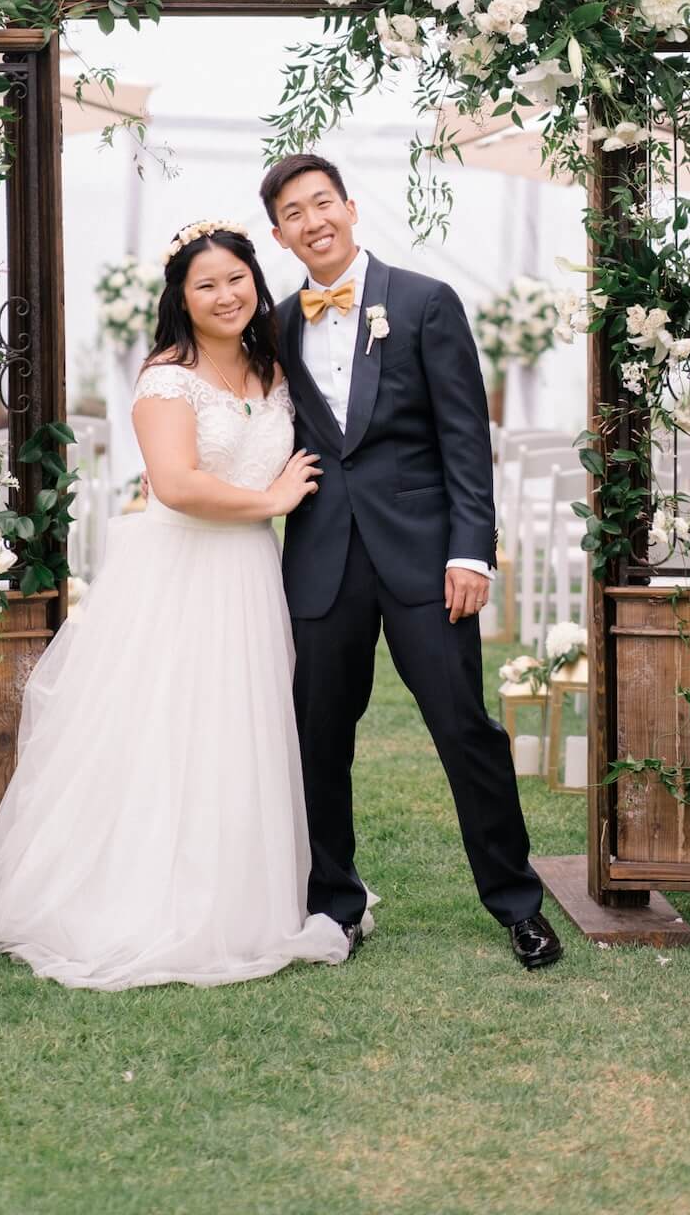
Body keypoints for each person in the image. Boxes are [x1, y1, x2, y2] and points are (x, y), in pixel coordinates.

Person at [0, 220, 353, 989]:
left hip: (250, 572)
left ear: (256, 283)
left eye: (236, 279)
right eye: (206, 285)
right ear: (181, 298)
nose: (225, 295)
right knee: (170, 726)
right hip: (180, 569)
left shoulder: (275, 366)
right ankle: (152, 898)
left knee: (242, 728)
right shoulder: (166, 379)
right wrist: (273, 498)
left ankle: (250, 895)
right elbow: (176, 484)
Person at [261, 152, 561, 972]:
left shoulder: (426, 302)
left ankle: (518, 905)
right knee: (319, 736)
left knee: (465, 728)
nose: (313, 220)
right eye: (294, 213)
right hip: (321, 559)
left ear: (350, 208)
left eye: (323, 202)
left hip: (428, 560)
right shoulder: (277, 326)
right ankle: (335, 905)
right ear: (280, 236)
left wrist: (471, 552)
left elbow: (465, 437)